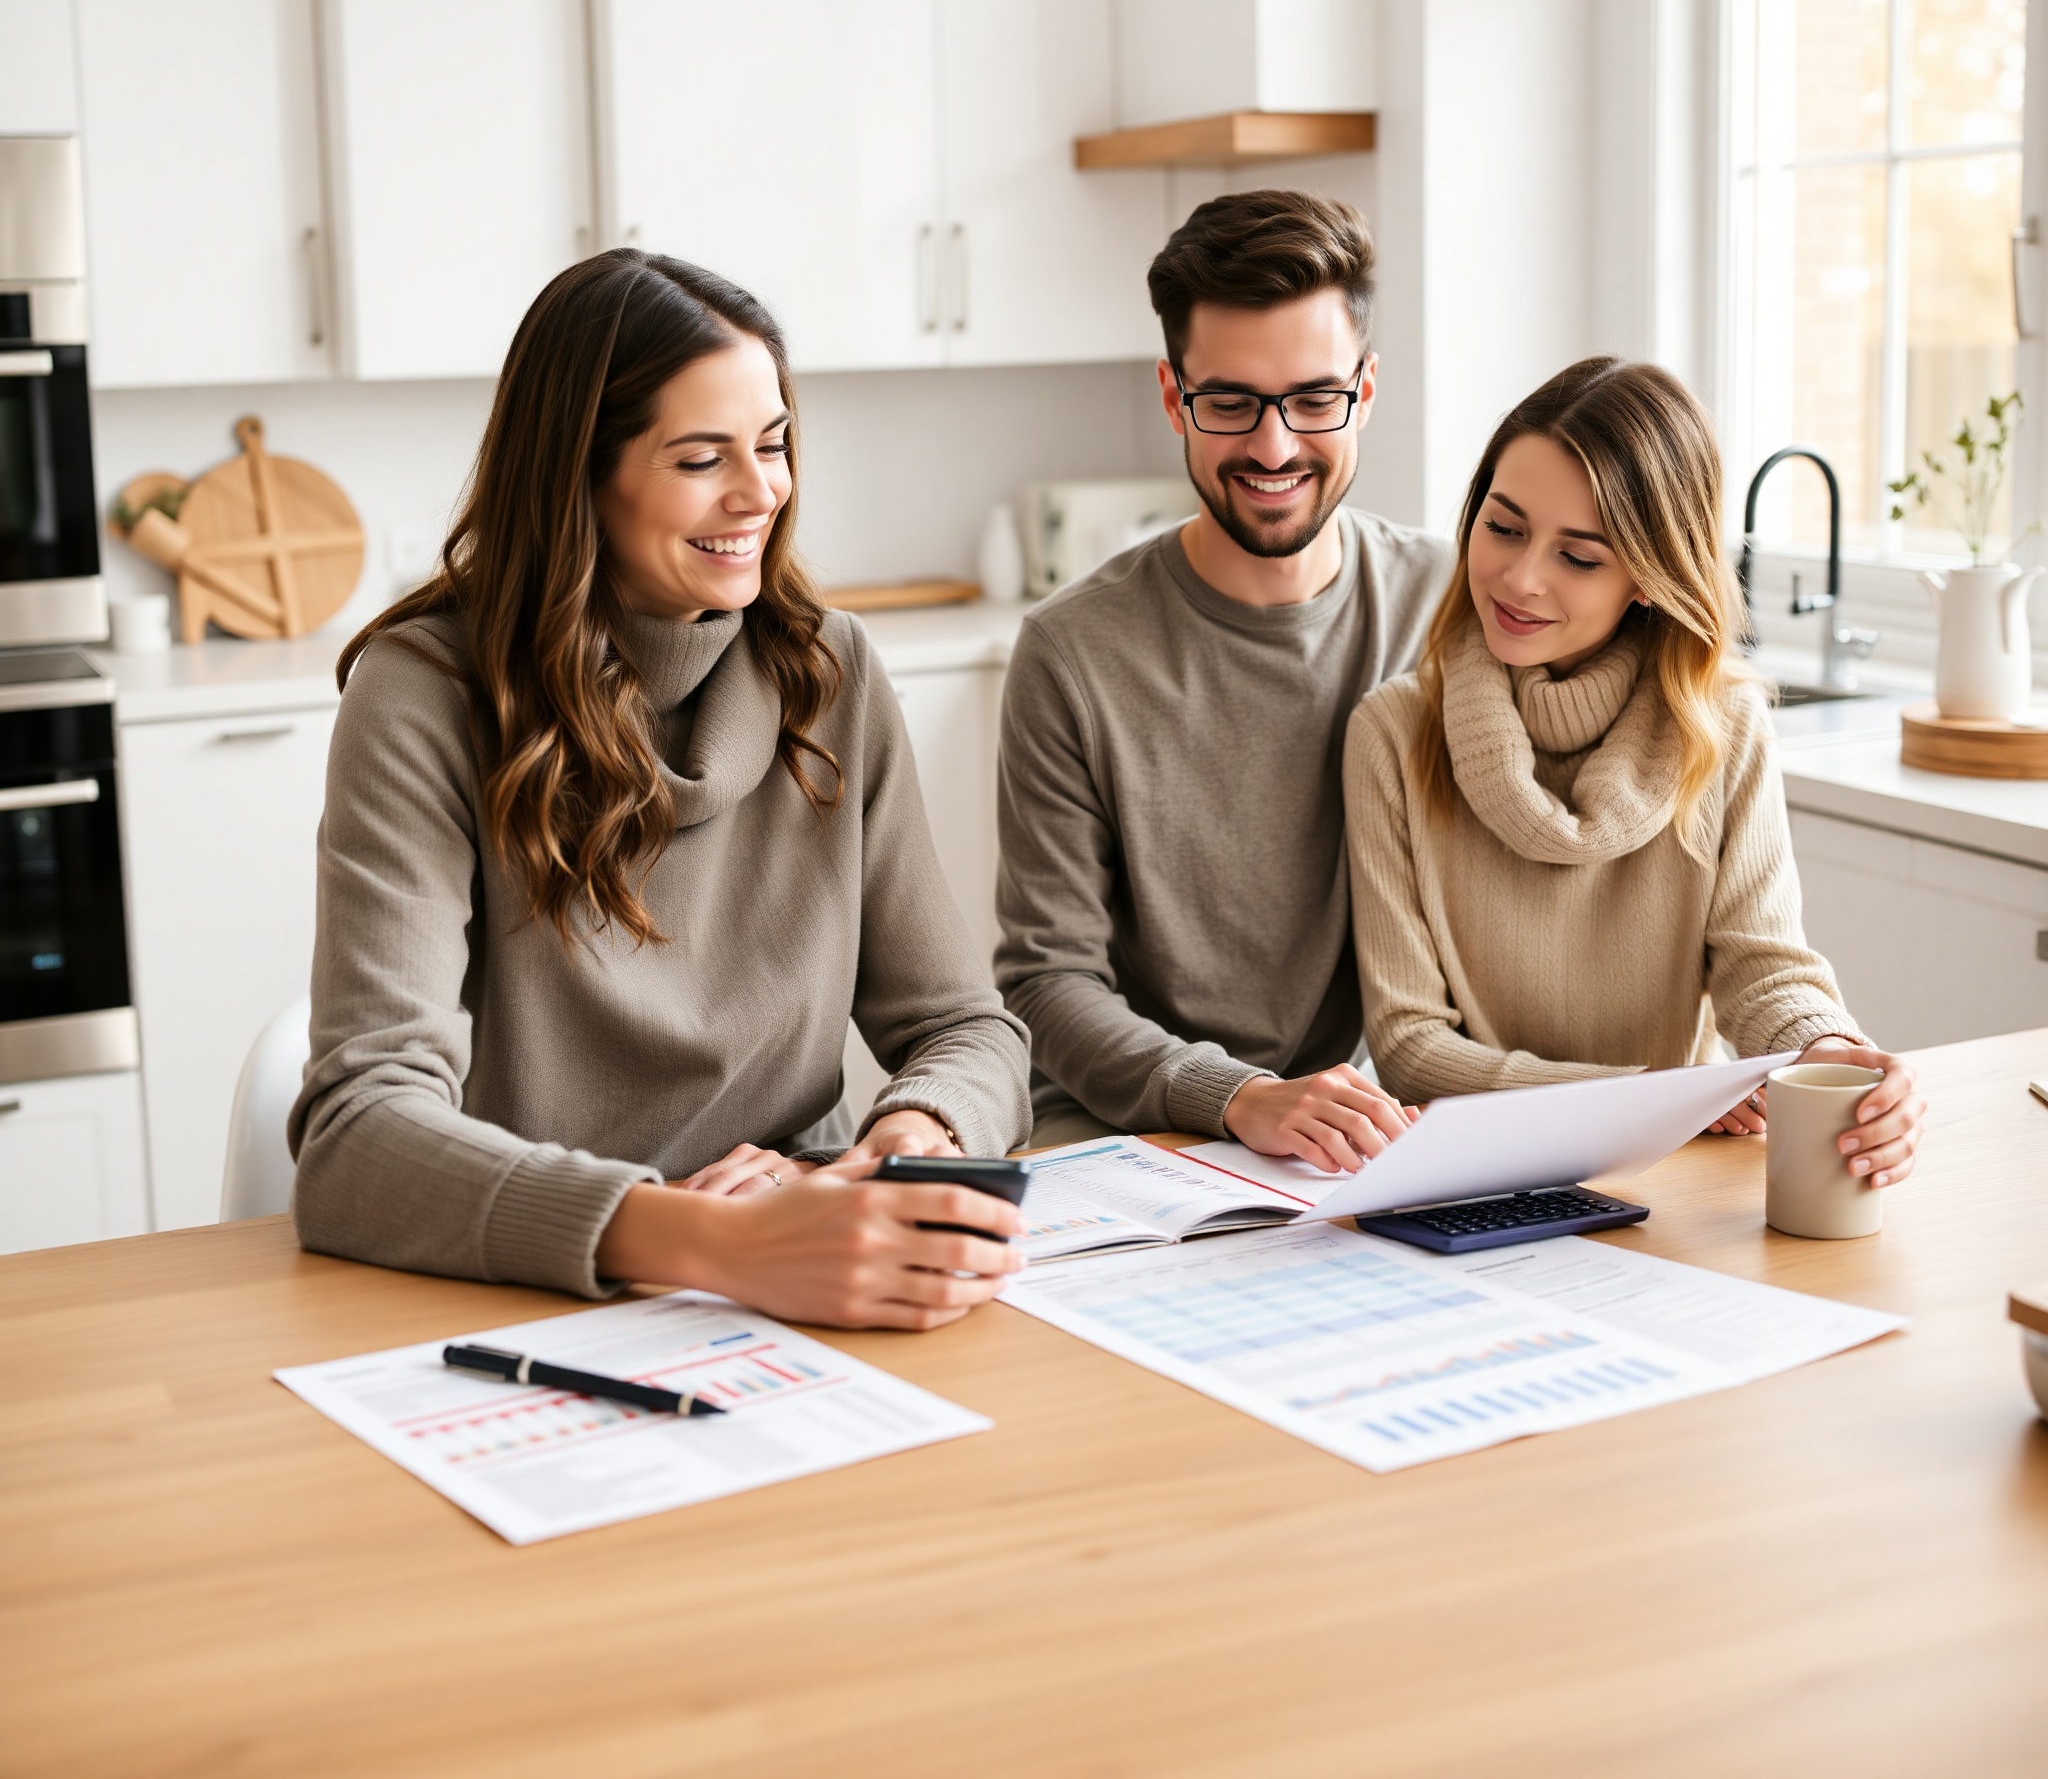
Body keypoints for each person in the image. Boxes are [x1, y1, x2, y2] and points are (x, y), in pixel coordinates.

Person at [290, 250, 1030, 1323]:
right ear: (580, 471)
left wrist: (896, 1148)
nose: (761, 490)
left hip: (806, 1270)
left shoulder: (829, 670)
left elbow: (965, 1027)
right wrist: (708, 1239)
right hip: (532, 1285)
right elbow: (358, 1135)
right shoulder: (426, 695)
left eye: (773, 444)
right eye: (700, 458)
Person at [1343, 356, 1923, 1184]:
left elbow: (1764, 971)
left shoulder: (1724, 728)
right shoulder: (1393, 736)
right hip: (1475, 1179)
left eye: (1579, 557)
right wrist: (1650, 1098)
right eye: (1503, 527)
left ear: (1649, 578)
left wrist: (1835, 1053)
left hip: (1674, 1177)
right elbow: (1410, 1051)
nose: (1520, 577)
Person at [995, 190, 1455, 1169]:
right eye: (1230, 401)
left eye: (1313, 398)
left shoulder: (1448, 601)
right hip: (1127, 1138)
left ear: (1365, 389)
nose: (1274, 444)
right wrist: (1238, 1096)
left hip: (1353, 1134)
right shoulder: (1071, 651)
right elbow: (1047, 980)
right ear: (1172, 397)